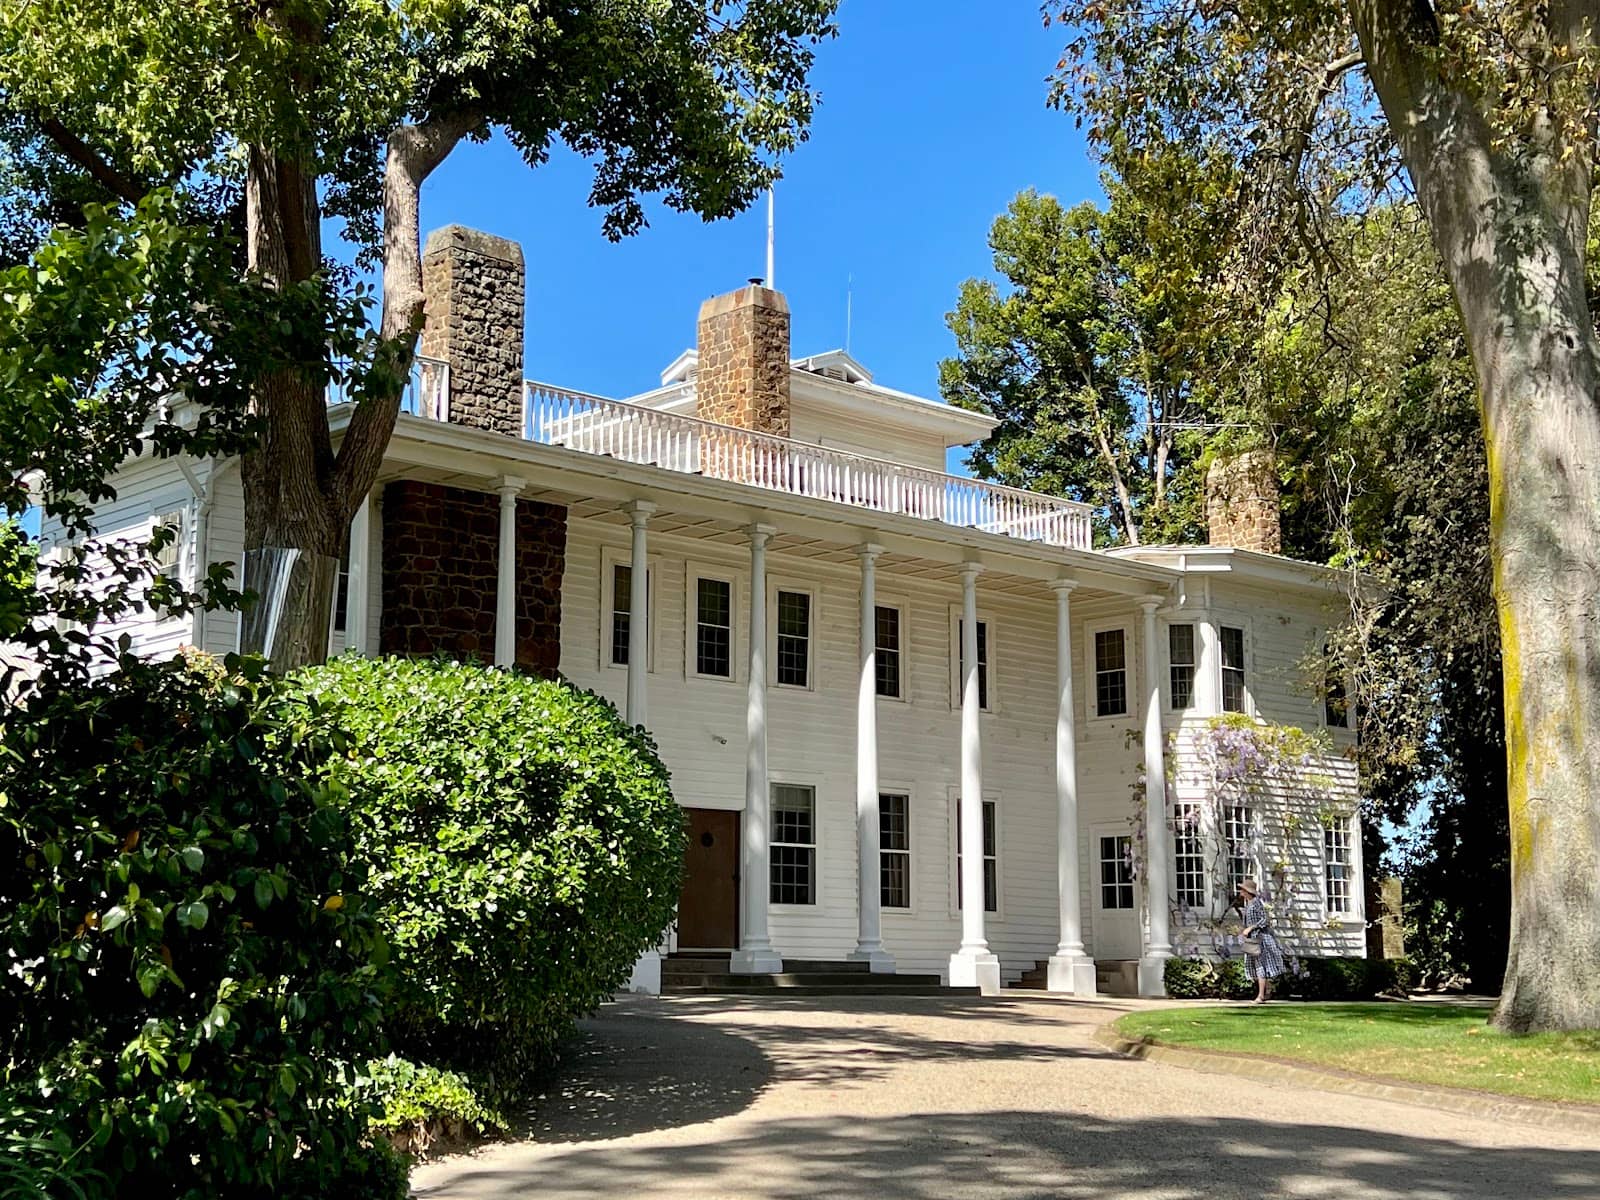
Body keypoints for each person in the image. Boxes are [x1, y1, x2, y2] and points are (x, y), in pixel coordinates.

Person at [1238, 877, 1284, 1003]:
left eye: (1242, 890)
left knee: (1260, 965)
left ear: (1247, 891)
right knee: (1254, 966)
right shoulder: (1248, 905)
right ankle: (1266, 990)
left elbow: (1264, 920)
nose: (1240, 892)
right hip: (1252, 939)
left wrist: (1250, 928)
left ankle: (1261, 996)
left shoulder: (1256, 903)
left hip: (1260, 938)